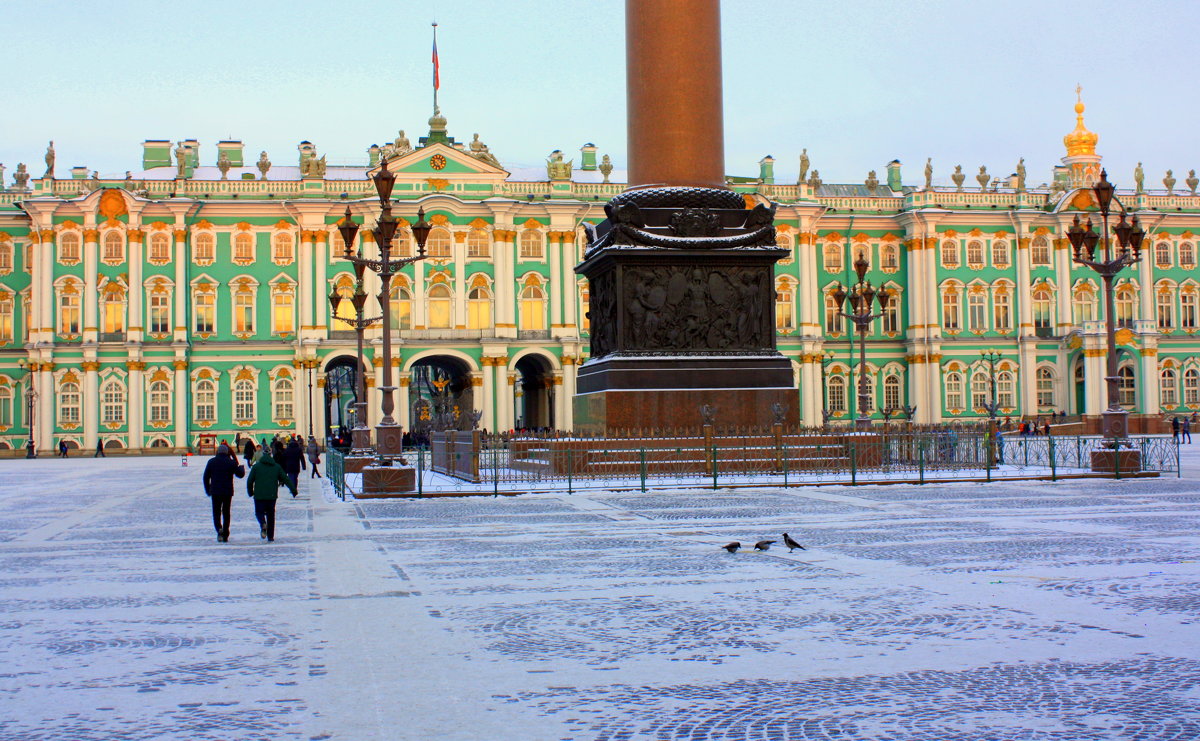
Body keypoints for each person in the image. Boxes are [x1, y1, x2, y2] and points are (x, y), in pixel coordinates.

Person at [247, 448, 296, 542]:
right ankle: (270, 536)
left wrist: (250, 492)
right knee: (271, 515)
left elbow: (250, 481)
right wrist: (293, 490)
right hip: (272, 495)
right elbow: (285, 478)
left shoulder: (256, 467)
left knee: (259, 512)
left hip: (259, 495)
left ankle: (262, 524)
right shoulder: (276, 467)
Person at [203, 443, 246, 542]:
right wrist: (235, 459)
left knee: (216, 512)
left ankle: (219, 530)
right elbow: (240, 474)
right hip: (227, 491)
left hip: (215, 491)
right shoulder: (230, 462)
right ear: (227, 452)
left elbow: (206, 477)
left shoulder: (211, 462)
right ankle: (226, 533)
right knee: (226, 512)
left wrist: (208, 489)